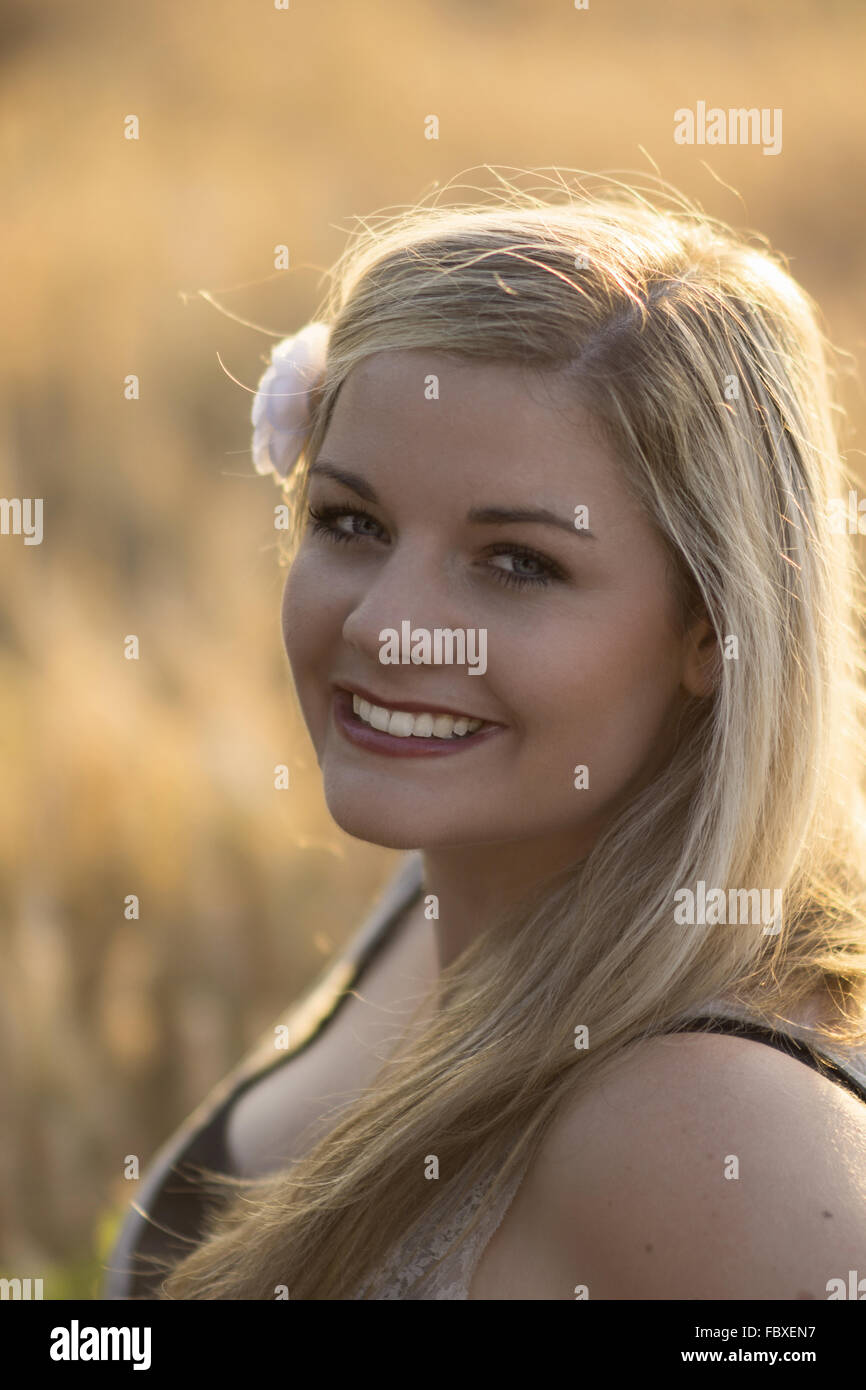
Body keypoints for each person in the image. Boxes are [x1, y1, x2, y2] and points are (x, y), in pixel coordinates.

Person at [102, 169, 866, 1301]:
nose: (383, 626)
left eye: (517, 561)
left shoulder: (714, 1134)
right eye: (350, 522)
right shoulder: (451, 880)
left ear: (712, 629)